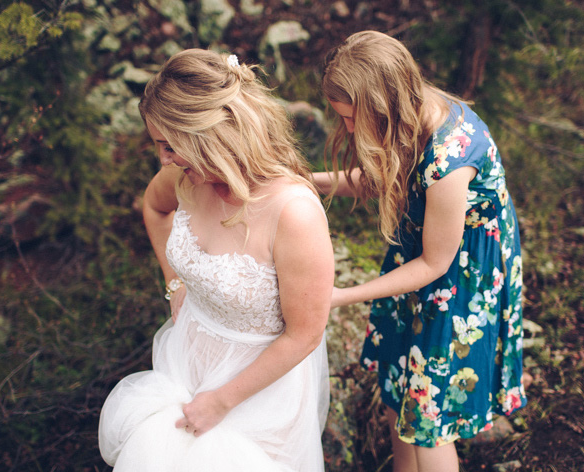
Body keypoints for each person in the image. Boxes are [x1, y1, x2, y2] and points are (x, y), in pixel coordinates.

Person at [98, 49, 334, 471]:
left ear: (214, 134)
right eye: (159, 146)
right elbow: (153, 208)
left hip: (258, 396)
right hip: (183, 364)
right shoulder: (183, 178)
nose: (164, 159)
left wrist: (221, 402)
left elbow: (305, 334)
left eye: (172, 145)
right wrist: (175, 283)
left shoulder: (294, 213)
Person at [313, 31, 526, 472]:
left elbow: (435, 262)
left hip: (461, 281)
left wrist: (339, 295)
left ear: (381, 104)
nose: (348, 128)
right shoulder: (408, 111)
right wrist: (308, 181)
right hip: (422, 260)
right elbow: (385, 179)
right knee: (399, 392)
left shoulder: (451, 158)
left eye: (352, 118)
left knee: (428, 420)